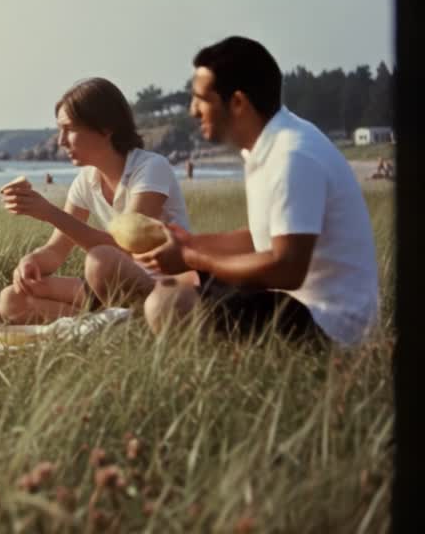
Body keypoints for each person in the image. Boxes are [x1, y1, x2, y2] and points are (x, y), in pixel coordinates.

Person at [137, 36, 379, 347]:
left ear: (237, 103)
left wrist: (193, 256)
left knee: (168, 303)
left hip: (330, 327)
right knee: (180, 281)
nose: (193, 110)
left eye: (201, 98)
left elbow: (286, 268)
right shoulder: (269, 146)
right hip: (297, 304)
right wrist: (190, 244)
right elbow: (263, 237)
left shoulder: (292, 156)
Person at [0, 78, 196, 328]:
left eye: (69, 129)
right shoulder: (86, 180)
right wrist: (31, 262)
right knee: (11, 299)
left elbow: (128, 248)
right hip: (107, 285)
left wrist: (49, 212)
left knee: (100, 261)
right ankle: (108, 323)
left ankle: (127, 319)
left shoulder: (150, 167)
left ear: (105, 128)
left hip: (162, 284)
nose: (61, 141)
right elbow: (56, 251)